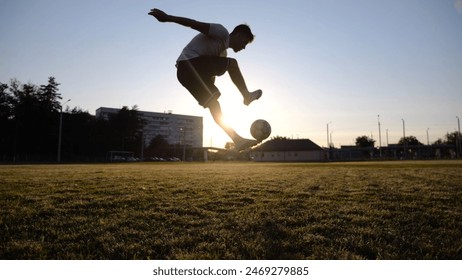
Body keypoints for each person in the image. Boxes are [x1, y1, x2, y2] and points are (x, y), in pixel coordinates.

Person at [148, 8, 263, 151]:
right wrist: (167, 17)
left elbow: (210, 72)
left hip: (186, 75)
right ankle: (246, 95)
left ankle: (236, 139)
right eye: (245, 42)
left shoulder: (222, 53)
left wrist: (208, 90)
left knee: (214, 104)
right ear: (239, 34)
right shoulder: (221, 32)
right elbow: (194, 24)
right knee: (232, 64)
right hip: (188, 64)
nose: (244, 48)